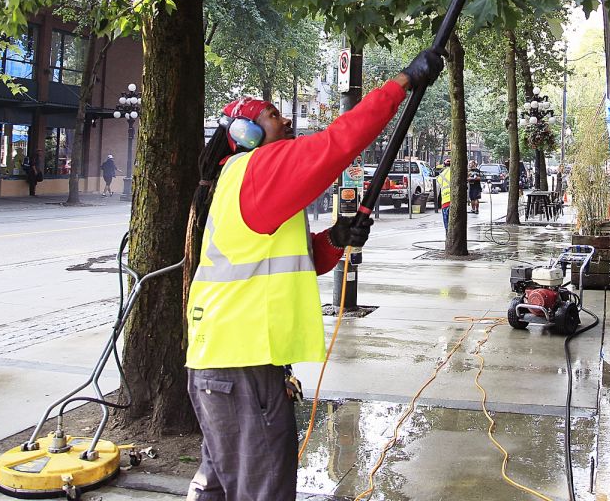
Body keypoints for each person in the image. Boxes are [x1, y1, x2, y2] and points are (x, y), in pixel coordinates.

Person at [185, 47, 444, 501]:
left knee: (220, 488)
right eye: (271, 115)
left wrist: (335, 239)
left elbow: (291, 259)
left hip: (222, 365)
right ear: (244, 133)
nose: (285, 122)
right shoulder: (255, 168)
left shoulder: (240, 179)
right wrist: (402, 83)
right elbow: (337, 144)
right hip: (243, 368)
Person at [438, 157, 452, 231]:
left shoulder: (441, 175)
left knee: (447, 228)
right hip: (454, 201)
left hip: (445, 202)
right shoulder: (455, 173)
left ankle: (448, 239)